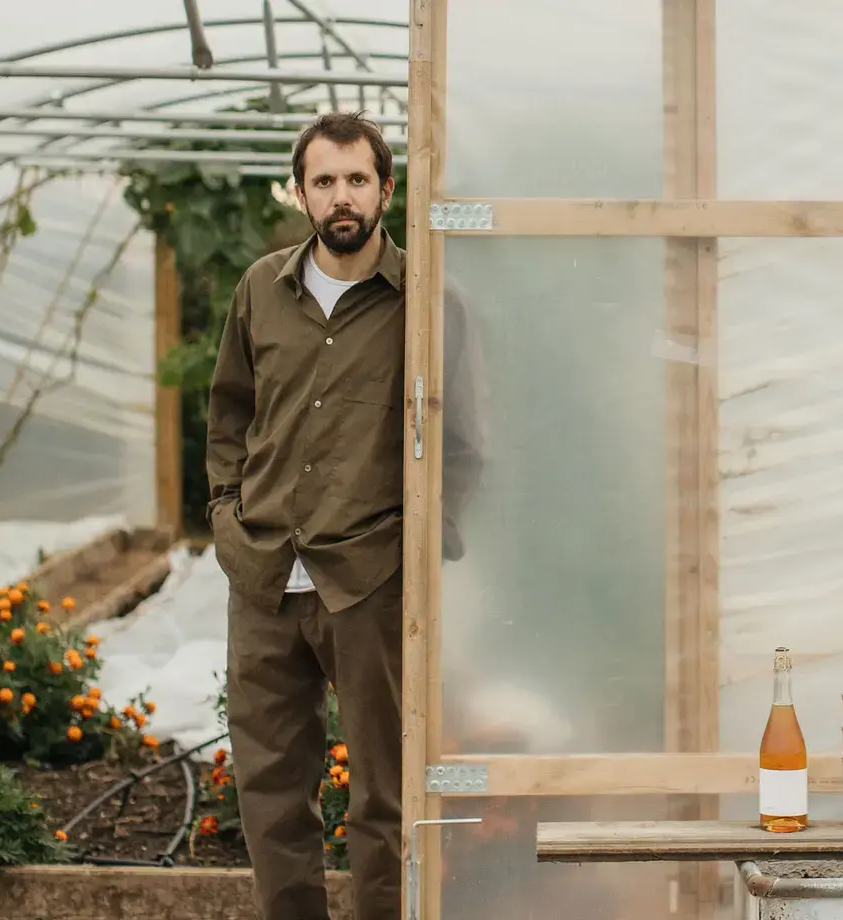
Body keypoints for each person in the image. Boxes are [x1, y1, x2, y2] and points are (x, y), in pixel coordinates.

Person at [205, 112, 483, 920]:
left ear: (386, 188)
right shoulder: (261, 288)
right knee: (268, 792)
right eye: (323, 180)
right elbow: (228, 414)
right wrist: (227, 517)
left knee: (384, 794)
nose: (341, 196)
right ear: (301, 192)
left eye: (357, 178)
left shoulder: (428, 301)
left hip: (369, 578)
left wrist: (422, 548)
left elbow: (462, 441)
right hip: (262, 576)